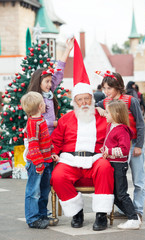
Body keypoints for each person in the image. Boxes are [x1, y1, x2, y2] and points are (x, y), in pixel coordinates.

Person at [50, 39, 114, 231]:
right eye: (80, 99)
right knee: (58, 176)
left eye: (87, 98)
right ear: (75, 102)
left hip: (95, 161)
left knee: (105, 167)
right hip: (70, 161)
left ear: (92, 99)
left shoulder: (103, 117)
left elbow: (114, 136)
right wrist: (53, 152)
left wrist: (108, 151)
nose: (85, 102)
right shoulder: (66, 119)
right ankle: (76, 213)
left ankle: (101, 215)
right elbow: (56, 140)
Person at [25, 37, 74, 225]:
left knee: (45, 185)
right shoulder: (35, 103)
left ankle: (43, 214)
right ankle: (34, 218)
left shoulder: (48, 93)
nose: (50, 83)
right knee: (35, 187)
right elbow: (40, 127)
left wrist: (67, 51)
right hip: (39, 150)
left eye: (49, 81)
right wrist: (57, 122)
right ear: (39, 82)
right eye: (46, 81)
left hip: (49, 148)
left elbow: (59, 71)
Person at [95, 70, 145, 222]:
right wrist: (98, 108)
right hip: (115, 149)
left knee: (138, 180)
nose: (106, 92)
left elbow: (141, 124)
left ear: (117, 86)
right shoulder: (104, 102)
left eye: (109, 88)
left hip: (133, 144)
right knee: (118, 179)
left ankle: (137, 209)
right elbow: (92, 105)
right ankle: (121, 210)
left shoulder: (130, 101)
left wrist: (139, 146)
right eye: (104, 88)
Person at [21, 92, 59, 229]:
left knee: (44, 190)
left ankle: (42, 214)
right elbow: (33, 145)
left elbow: (47, 140)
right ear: (40, 106)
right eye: (43, 103)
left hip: (46, 162)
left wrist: (52, 152)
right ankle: (32, 218)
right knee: (33, 192)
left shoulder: (41, 120)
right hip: (37, 164)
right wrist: (38, 164)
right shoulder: (32, 123)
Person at [101, 99, 141, 229]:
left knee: (121, 193)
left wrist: (109, 151)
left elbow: (124, 150)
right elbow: (109, 143)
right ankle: (132, 214)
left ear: (116, 114)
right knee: (115, 194)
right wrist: (105, 150)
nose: (105, 115)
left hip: (119, 166)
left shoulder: (122, 130)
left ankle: (133, 218)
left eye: (107, 112)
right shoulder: (110, 126)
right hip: (111, 164)